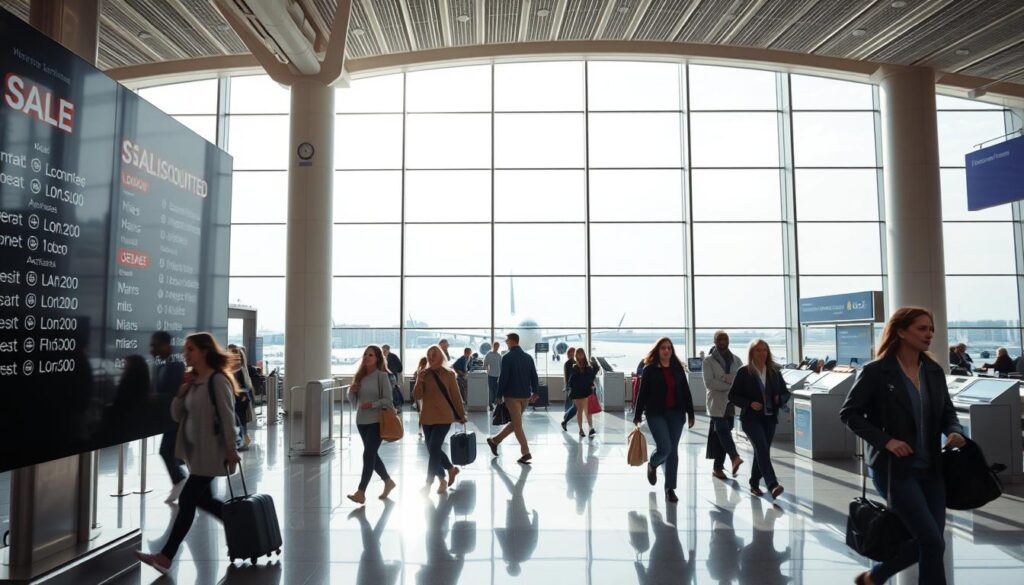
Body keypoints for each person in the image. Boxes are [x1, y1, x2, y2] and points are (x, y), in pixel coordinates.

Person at [840, 307, 967, 585]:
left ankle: (875, 577)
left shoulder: (933, 371)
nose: (930, 334)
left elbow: (947, 411)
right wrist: (887, 441)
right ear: (900, 332)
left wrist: (954, 431)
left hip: (932, 468)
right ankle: (876, 576)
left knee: (932, 541)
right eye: (922, 328)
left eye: (931, 328)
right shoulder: (876, 372)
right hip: (894, 470)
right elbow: (849, 414)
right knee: (931, 541)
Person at [135, 332, 242, 574]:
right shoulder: (194, 382)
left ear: (204, 351)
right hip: (196, 455)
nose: (186, 353)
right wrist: (181, 393)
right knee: (204, 501)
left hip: (212, 454)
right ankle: (242, 529)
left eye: (191, 349)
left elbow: (227, 417)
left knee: (187, 501)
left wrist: (231, 450)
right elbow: (176, 414)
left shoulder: (217, 380)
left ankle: (165, 557)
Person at [633, 337, 695, 504]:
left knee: (673, 451)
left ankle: (670, 488)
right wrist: (637, 415)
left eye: (669, 348)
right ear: (657, 351)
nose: (666, 351)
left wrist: (691, 413)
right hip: (656, 414)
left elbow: (686, 391)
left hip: (677, 414)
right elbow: (642, 393)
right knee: (665, 448)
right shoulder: (649, 369)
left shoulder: (678, 369)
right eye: (663, 348)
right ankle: (653, 463)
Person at [728, 339, 789, 499]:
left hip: (769, 418)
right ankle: (772, 484)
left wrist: (779, 399)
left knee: (761, 450)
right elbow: (732, 395)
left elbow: (785, 393)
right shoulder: (744, 372)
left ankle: (754, 482)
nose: (762, 353)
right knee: (761, 448)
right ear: (751, 353)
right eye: (758, 350)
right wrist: (748, 403)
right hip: (751, 419)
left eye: (764, 350)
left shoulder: (774, 371)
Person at [347, 345, 399, 505]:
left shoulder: (382, 376)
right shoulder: (360, 376)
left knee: (368, 454)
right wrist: (351, 391)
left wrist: (373, 404)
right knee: (372, 455)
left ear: (377, 358)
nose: (367, 357)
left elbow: (388, 400)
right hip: (362, 421)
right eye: (365, 354)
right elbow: (353, 401)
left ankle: (361, 492)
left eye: (371, 355)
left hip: (377, 421)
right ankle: (388, 481)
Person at [414, 345, 467, 494]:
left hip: (444, 416)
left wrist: (461, 415)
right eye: (429, 354)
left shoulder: (449, 374)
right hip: (427, 417)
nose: (431, 357)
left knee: (435, 448)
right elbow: (417, 396)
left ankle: (428, 484)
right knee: (432, 450)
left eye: (434, 354)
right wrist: (419, 379)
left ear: (441, 356)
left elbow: (456, 396)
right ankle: (448, 472)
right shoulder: (424, 374)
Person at [487, 333, 539, 464]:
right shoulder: (528, 357)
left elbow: (503, 378)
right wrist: (535, 391)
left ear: (511, 341)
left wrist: (499, 395)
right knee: (516, 423)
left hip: (512, 396)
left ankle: (525, 452)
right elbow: (534, 376)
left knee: (517, 424)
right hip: (525, 396)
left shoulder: (507, 357)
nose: (506, 342)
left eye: (507, 340)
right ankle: (495, 441)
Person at [150, 331, 187, 504]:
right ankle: (181, 479)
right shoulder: (165, 365)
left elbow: (175, 393)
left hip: (175, 417)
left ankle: (180, 479)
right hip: (169, 417)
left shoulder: (175, 365)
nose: (153, 349)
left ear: (166, 345)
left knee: (166, 450)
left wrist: (158, 398)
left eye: (155, 345)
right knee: (172, 451)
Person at [703, 331, 744, 480]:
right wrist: (729, 382)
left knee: (722, 433)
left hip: (730, 403)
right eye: (719, 339)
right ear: (714, 341)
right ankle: (734, 457)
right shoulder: (708, 361)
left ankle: (717, 467)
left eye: (725, 339)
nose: (722, 341)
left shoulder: (737, 360)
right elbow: (710, 383)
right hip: (716, 402)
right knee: (722, 429)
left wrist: (726, 379)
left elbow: (740, 381)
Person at [566, 348, 598, 437]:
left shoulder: (588, 367)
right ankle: (581, 429)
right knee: (580, 410)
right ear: (576, 355)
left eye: (582, 353)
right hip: (577, 392)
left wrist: (591, 384)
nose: (581, 355)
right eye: (579, 354)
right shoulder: (575, 367)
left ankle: (591, 428)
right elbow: (571, 381)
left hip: (585, 391)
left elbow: (590, 377)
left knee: (587, 411)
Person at [227, 345, 255, 449]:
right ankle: (244, 439)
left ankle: (244, 440)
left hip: (240, 398)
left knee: (240, 420)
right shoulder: (241, 368)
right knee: (240, 420)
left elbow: (240, 385)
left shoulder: (238, 370)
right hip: (241, 397)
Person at [560, 347, 576, 432]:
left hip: (572, 385)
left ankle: (567, 415)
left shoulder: (574, 362)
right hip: (570, 385)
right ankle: (566, 415)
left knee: (570, 402)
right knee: (569, 401)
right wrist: (566, 386)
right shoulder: (568, 363)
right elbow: (566, 376)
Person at [484, 342, 502, 410]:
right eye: (495, 346)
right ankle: (490, 404)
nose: (497, 347)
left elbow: (501, 365)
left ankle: (495, 403)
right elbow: (485, 363)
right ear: (493, 346)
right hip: (491, 375)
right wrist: (486, 371)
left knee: (496, 390)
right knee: (491, 390)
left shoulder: (499, 355)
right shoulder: (489, 354)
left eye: (498, 346)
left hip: (498, 375)